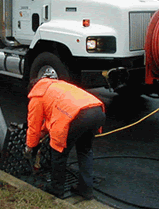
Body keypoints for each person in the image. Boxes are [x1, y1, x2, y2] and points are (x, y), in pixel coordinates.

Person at [25, 70, 106, 199]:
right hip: (97, 111)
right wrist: (45, 130)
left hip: (77, 116)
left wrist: (30, 146)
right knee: (85, 151)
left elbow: (33, 127)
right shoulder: (58, 87)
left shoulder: (37, 96)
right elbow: (58, 112)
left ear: (32, 89)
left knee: (58, 152)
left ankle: (56, 189)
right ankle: (85, 189)